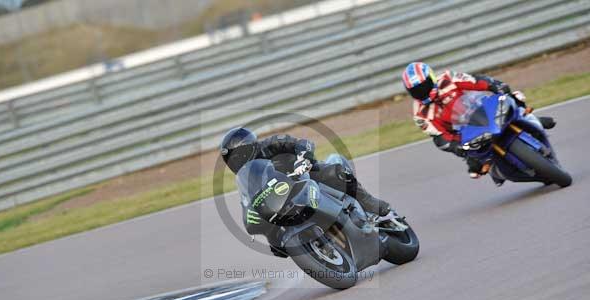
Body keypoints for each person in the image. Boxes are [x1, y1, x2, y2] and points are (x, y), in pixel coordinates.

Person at [402, 62, 556, 185]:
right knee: (477, 169)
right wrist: (457, 148)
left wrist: (495, 85)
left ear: (432, 78)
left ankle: (533, 120)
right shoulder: (419, 113)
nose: (421, 92)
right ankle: (507, 171)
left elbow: (476, 81)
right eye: (416, 91)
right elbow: (439, 136)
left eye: (423, 86)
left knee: (516, 99)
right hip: (467, 134)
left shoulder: (448, 78)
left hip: (484, 110)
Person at [220, 127, 394, 223]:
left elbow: (302, 143)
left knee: (336, 172)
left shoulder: (270, 145)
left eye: (238, 156)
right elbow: (247, 206)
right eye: (232, 160)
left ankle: (369, 202)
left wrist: (304, 157)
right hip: (283, 204)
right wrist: (252, 220)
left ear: (248, 149)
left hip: (305, 177)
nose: (236, 162)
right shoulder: (246, 180)